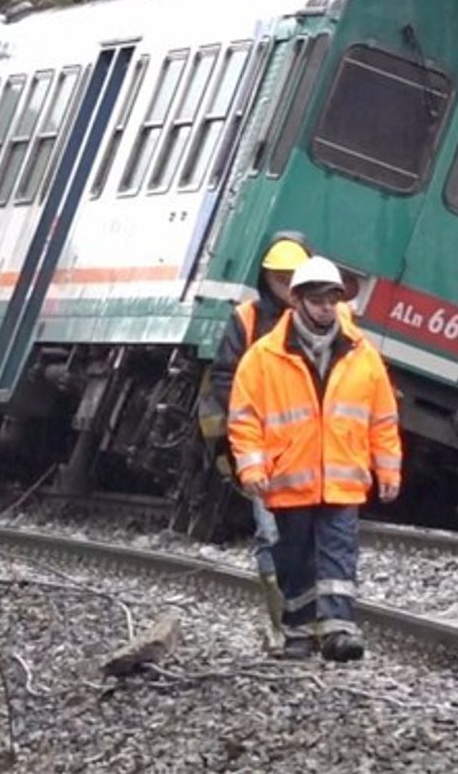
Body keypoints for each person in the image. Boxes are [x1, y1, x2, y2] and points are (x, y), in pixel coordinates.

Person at [228, 256, 402, 662]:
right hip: (290, 479)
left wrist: (388, 470)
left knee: (339, 553)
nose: (326, 308)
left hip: (343, 479)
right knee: (296, 558)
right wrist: (252, 467)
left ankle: (339, 629)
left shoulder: (362, 355)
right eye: (318, 300)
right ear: (297, 300)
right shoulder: (264, 357)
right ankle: (299, 632)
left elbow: (382, 418)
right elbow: (244, 417)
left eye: (332, 300)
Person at [199, 232, 311, 649]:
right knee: (272, 533)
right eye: (280, 277)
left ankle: (304, 622)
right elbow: (224, 375)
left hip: (308, 448)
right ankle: (283, 625)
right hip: (262, 446)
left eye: (293, 277)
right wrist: (247, 420)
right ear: (266, 278)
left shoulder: (322, 323)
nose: (286, 285)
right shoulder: (247, 318)